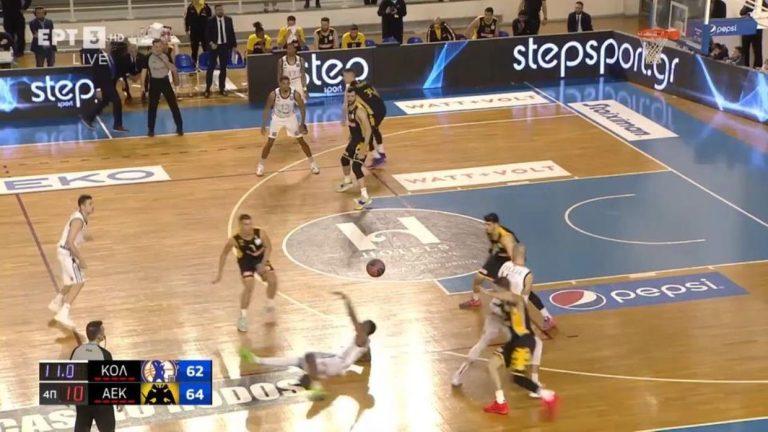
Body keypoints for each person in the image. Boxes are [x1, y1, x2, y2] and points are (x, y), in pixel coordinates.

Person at [240, 291, 376, 397]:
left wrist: (347, 301)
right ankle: (257, 360)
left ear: (366, 329)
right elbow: (367, 357)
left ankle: (316, 386)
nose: (361, 323)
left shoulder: (362, 338)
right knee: (298, 361)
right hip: (335, 362)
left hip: (336, 364)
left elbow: (353, 319)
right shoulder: (364, 341)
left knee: (308, 359)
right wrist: (365, 363)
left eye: (364, 324)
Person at [452, 244, 544, 394]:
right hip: (510, 318)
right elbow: (523, 300)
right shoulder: (527, 275)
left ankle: (458, 375)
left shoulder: (505, 266)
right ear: (524, 255)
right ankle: (534, 382)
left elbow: (495, 285)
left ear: (512, 254)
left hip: (495, 310)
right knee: (536, 343)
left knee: (482, 343)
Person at [478, 262, 558, 415]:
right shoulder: (503, 305)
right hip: (514, 342)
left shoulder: (517, 299)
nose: (494, 292)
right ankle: (500, 402)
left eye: (496, 289)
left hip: (523, 342)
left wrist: (488, 293)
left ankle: (547, 395)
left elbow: (508, 295)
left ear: (501, 289)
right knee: (492, 365)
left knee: (517, 378)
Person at [458, 213, 556, 330]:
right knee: (478, 278)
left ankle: (547, 317)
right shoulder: (490, 232)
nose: (486, 227)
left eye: (489, 224)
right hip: (499, 257)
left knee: (524, 290)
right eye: (485, 224)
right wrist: (491, 259)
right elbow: (494, 246)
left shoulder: (506, 238)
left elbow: (514, 257)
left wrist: (513, 274)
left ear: (496, 224)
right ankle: (475, 300)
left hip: (513, 259)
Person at [213, 214, 279, 330]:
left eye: (250, 224)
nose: (249, 227)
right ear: (240, 225)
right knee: (249, 287)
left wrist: (263, 264)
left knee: (273, 280)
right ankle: (243, 318)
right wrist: (219, 274)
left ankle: (269, 305)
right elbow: (224, 254)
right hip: (246, 264)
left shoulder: (260, 233)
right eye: (246, 224)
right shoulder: (234, 240)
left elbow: (269, 247)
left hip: (260, 260)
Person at [49, 195, 95, 329]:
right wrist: (81, 259)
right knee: (79, 281)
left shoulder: (80, 217)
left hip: (63, 252)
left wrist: (85, 237)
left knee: (70, 282)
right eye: (90, 204)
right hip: (67, 253)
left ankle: (56, 302)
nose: (93, 206)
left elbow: (75, 236)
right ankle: (64, 313)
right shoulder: (78, 220)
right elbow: (70, 242)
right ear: (82, 206)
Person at [258, 76, 319, 177]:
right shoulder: (273, 94)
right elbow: (267, 109)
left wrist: (302, 123)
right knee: (270, 143)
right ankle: (261, 165)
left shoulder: (295, 94)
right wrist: (263, 125)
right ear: (280, 84)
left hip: (291, 118)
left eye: (287, 83)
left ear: (289, 84)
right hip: (277, 119)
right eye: (284, 83)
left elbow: (302, 108)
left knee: (301, 141)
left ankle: (313, 164)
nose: (286, 85)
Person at [71, 321, 119, 432]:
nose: (104, 333)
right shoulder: (105, 354)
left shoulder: (76, 351)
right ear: (99, 336)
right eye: (103, 331)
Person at [336, 88, 374, 210]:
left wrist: (364, 147)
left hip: (363, 141)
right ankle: (348, 181)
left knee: (356, 167)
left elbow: (368, 130)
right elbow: (354, 125)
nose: (350, 98)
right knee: (344, 160)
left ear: (356, 97)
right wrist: (351, 134)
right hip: (355, 139)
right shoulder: (348, 107)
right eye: (348, 96)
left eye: (352, 96)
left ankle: (365, 196)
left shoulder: (360, 110)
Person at [342, 68, 387, 168]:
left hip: (374, 112)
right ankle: (381, 152)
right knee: (374, 129)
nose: (343, 78)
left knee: (366, 132)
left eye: (344, 76)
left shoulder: (350, 89)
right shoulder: (364, 82)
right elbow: (376, 93)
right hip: (382, 107)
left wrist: (344, 119)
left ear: (350, 76)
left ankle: (377, 157)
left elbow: (346, 105)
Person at [80, 47, 128, 133]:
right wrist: (97, 89)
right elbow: (95, 74)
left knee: (104, 102)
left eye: (109, 43)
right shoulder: (98, 57)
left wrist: (120, 78)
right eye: (106, 44)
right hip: (105, 84)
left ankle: (88, 118)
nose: (109, 45)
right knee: (117, 101)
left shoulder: (112, 55)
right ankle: (117, 125)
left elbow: (116, 69)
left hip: (111, 83)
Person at [147, 39, 183, 137]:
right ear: (153, 47)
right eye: (156, 47)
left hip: (165, 81)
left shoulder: (166, 56)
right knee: (152, 107)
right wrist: (143, 87)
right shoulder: (148, 57)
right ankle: (151, 129)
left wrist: (176, 82)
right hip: (154, 82)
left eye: (160, 46)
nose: (158, 48)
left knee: (173, 105)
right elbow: (146, 70)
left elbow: (173, 69)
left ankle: (180, 128)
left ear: (162, 46)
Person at [204, 4, 236, 98]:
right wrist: (211, 43)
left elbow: (232, 32)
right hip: (214, 46)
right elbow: (206, 34)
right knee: (210, 68)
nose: (220, 11)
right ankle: (207, 89)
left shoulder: (228, 20)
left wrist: (234, 45)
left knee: (223, 68)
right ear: (215, 11)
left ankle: (222, 89)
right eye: (218, 10)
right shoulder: (210, 20)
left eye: (221, 9)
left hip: (224, 46)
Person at [184, 0, 212, 66]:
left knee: (206, 49)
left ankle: (207, 64)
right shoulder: (190, 7)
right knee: (194, 50)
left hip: (204, 32)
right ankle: (194, 65)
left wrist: (211, 31)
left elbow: (210, 20)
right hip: (194, 32)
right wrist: (187, 30)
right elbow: (187, 19)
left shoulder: (206, 7)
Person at [740, 0, 766, 68]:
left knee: (758, 51)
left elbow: (765, 14)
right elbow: (741, 12)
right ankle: (744, 68)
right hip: (746, 28)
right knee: (745, 50)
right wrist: (750, 6)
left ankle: (757, 69)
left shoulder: (763, 2)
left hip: (757, 29)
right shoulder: (749, 1)